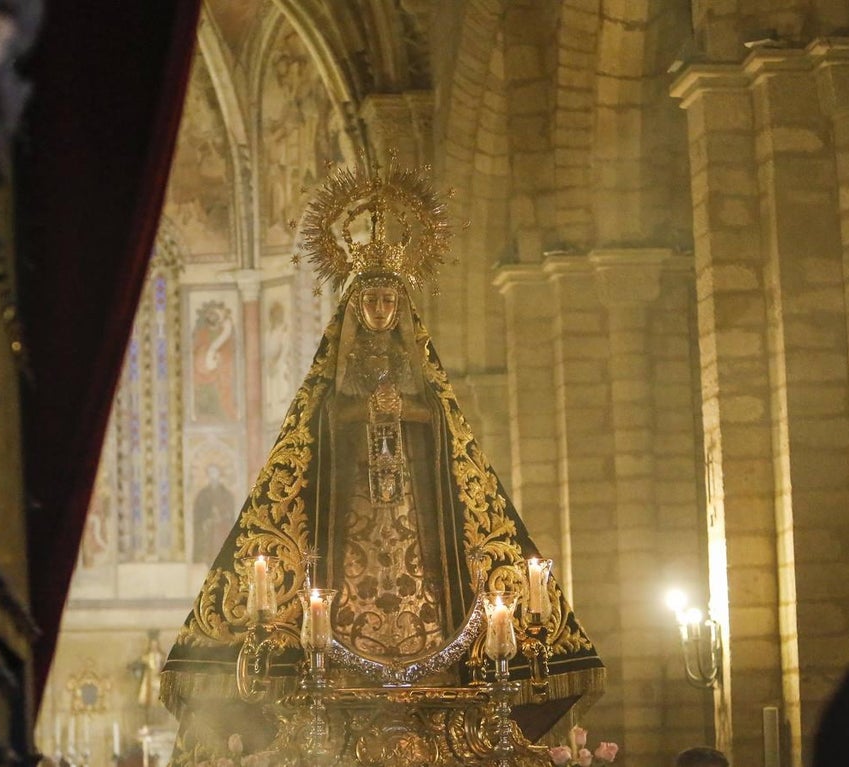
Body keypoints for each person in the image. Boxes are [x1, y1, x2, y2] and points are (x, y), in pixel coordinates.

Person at [160, 163, 603, 765]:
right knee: (335, 587)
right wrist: (362, 413)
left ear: (402, 306)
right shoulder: (334, 377)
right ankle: (330, 657)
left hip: (418, 520)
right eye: (369, 297)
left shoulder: (420, 372)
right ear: (353, 304)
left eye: (389, 298)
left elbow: (450, 445)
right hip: (348, 516)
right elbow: (312, 442)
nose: (379, 307)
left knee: (431, 582)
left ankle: (439, 662)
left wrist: (408, 412)